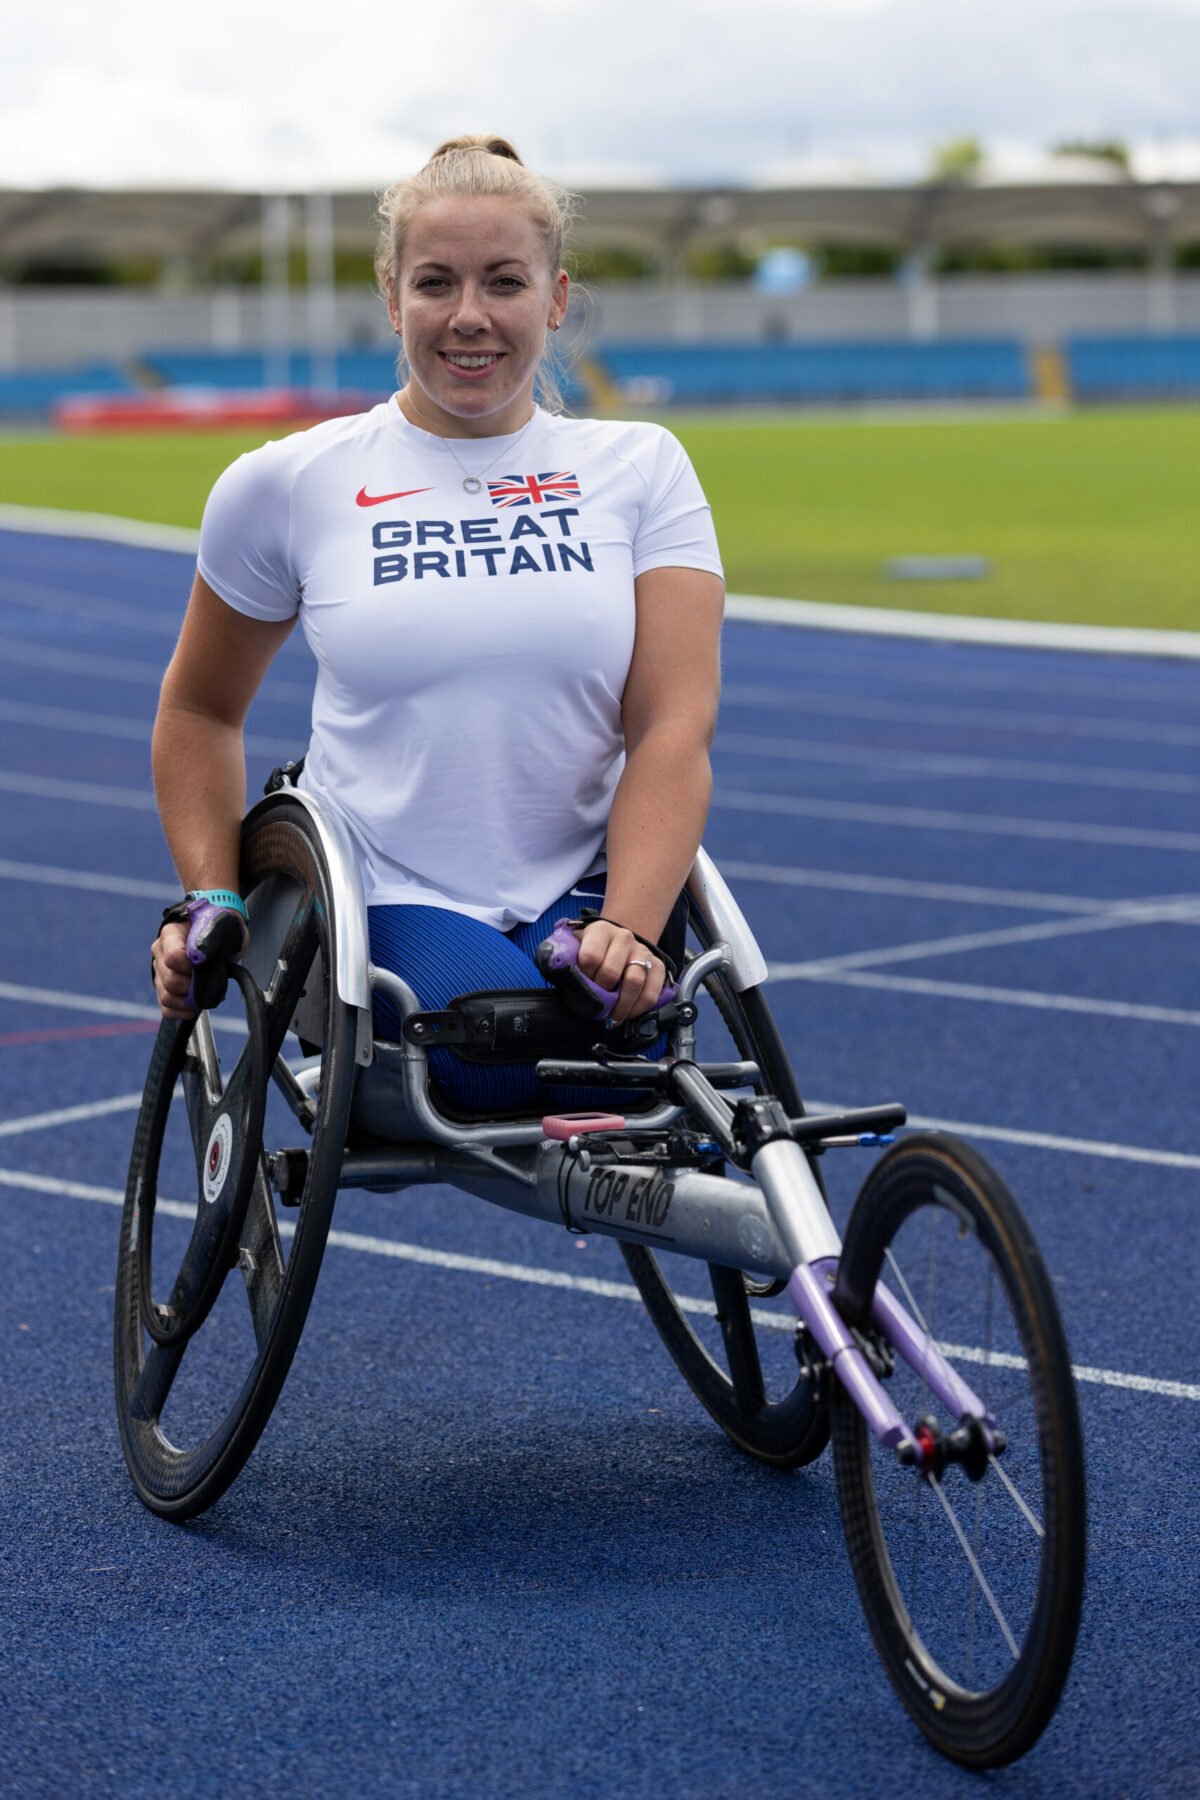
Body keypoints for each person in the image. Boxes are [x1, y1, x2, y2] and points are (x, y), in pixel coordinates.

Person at [150, 133, 725, 1115]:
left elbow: (673, 723)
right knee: (499, 1045)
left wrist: (630, 927)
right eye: (435, 284)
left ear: (555, 299)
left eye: (504, 282)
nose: (469, 316)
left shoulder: (643, 468)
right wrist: (213, 897)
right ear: (392, 297)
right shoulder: (289, 482)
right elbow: (200, 710)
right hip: (386, 893)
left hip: (587, 889)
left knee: (617, 1036)